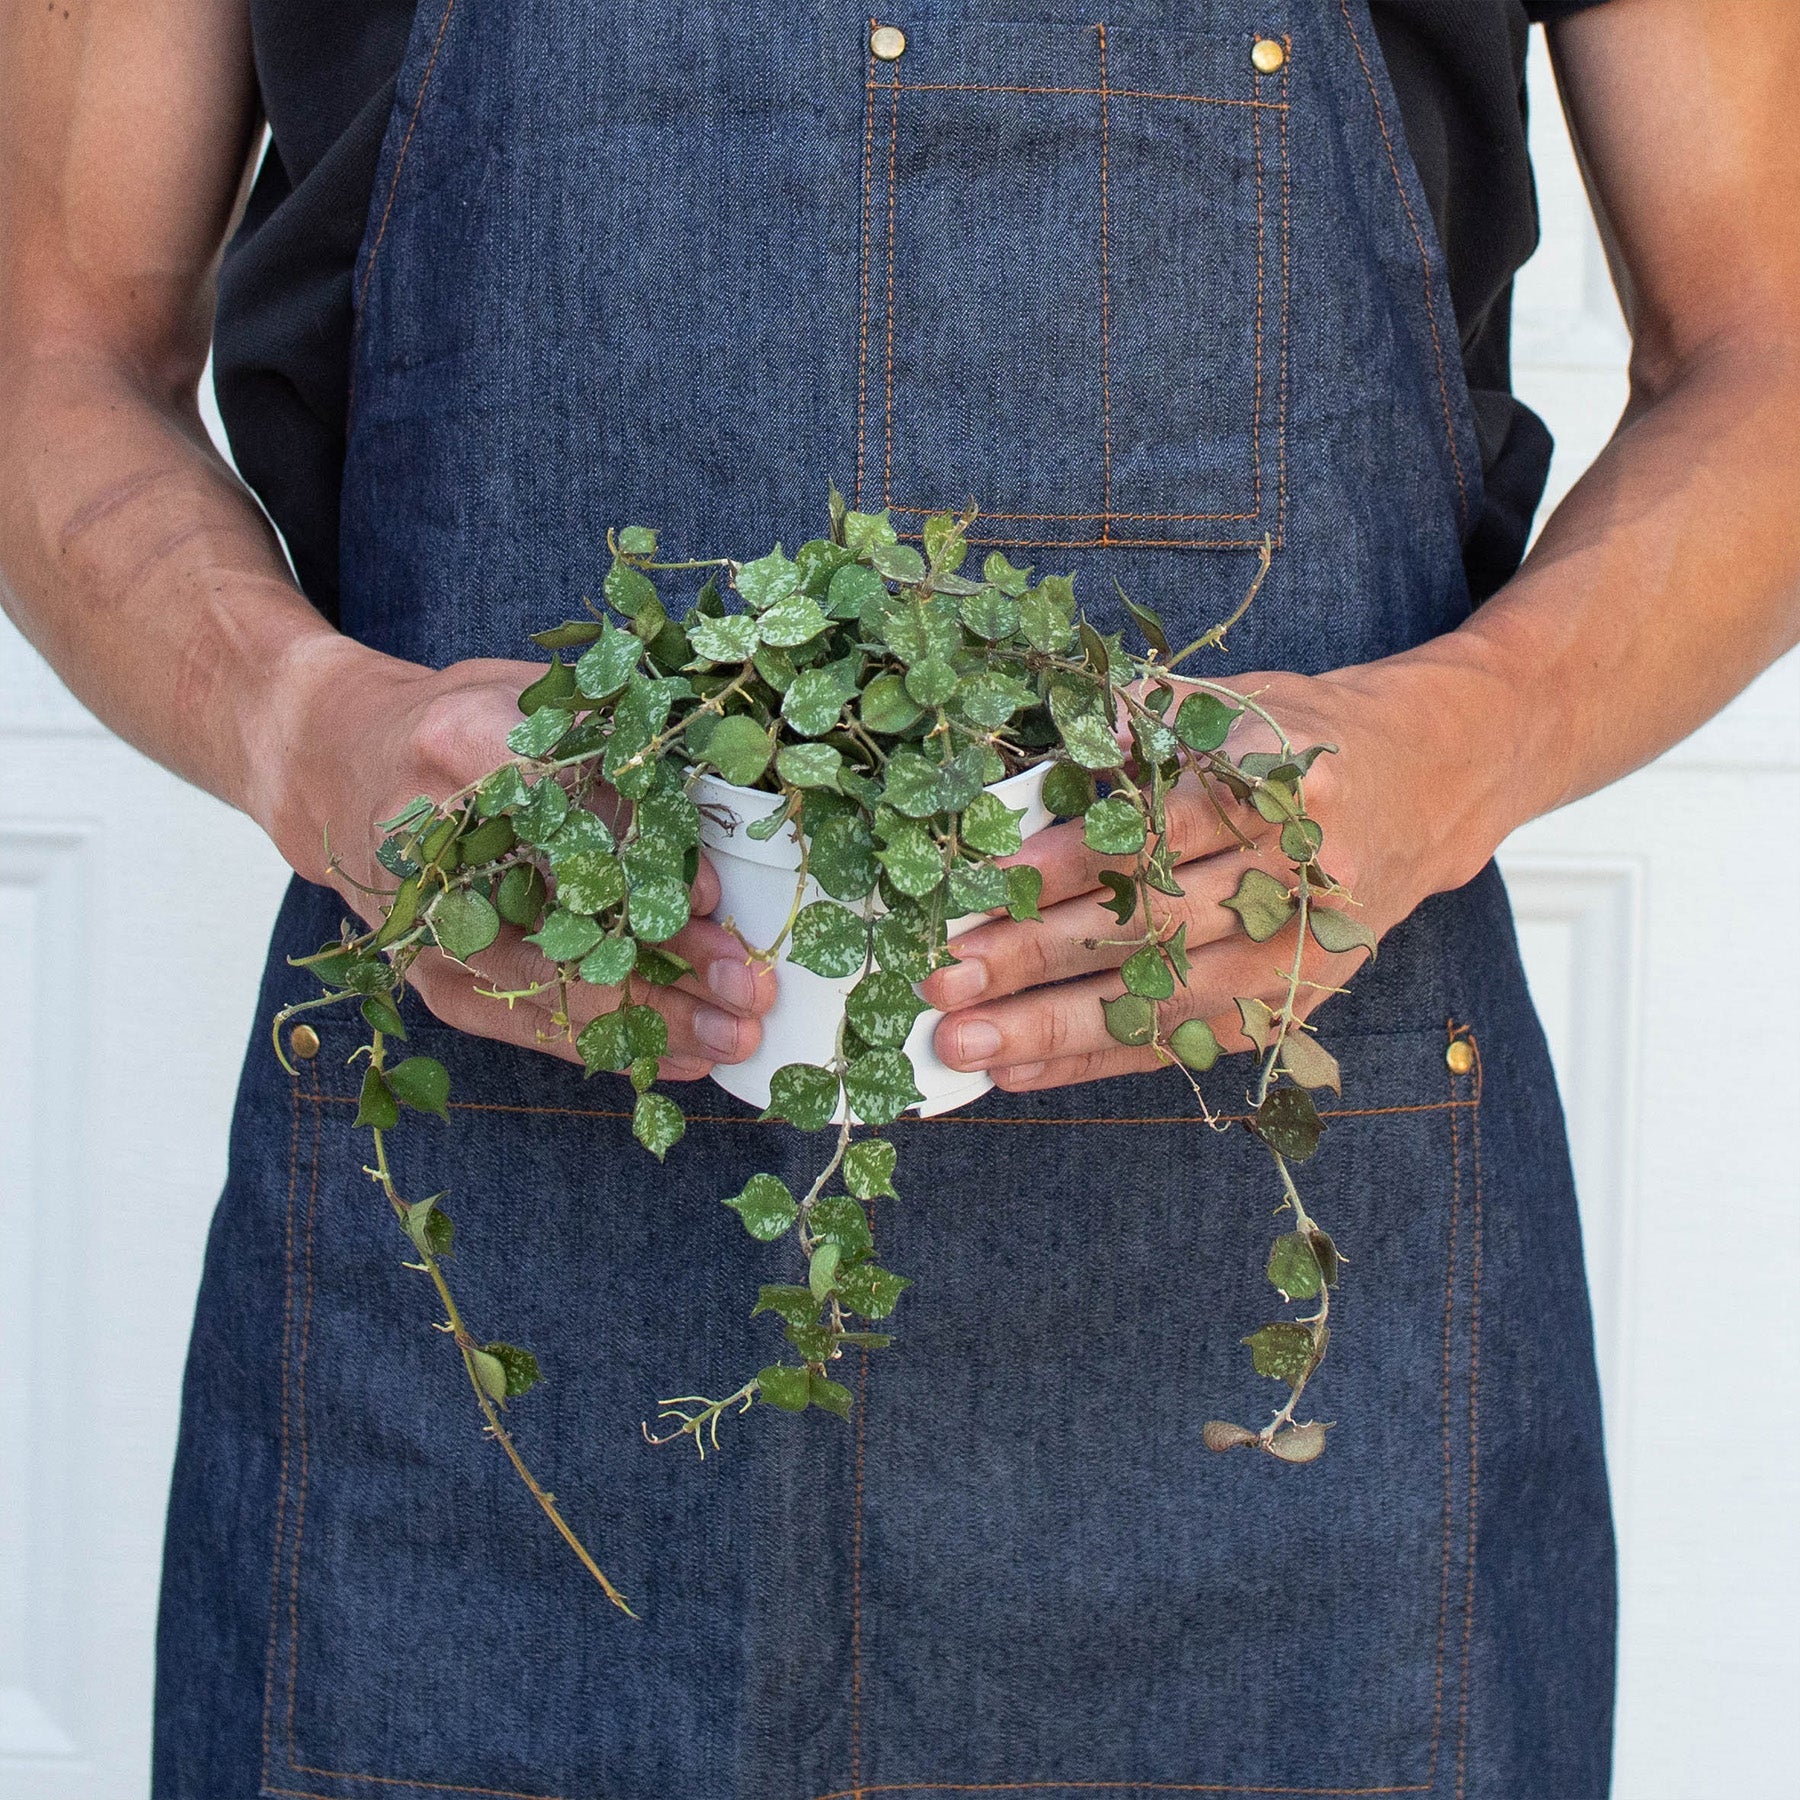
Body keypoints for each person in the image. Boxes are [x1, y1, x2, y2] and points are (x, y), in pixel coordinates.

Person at [2, 0, 1795, 1794]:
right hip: (495, 1313)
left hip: (1294, 1324)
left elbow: (1764, 348)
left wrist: (1462, 742)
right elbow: (54, 348)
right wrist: (296, 726)